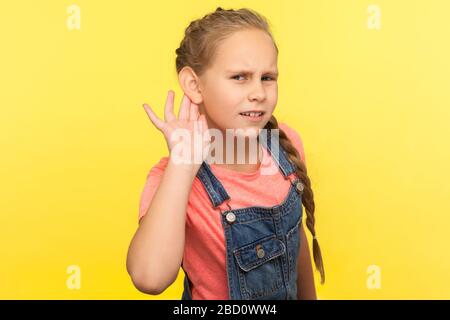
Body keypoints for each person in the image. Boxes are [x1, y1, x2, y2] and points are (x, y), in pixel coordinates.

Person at [126, 7, 325, 300]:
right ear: (194, 86)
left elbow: (295, 247)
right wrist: (182, 165)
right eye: (240, 77)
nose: (258, 92)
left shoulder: (285, 145)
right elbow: (149, 278)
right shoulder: (171, 179)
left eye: (267, 77)